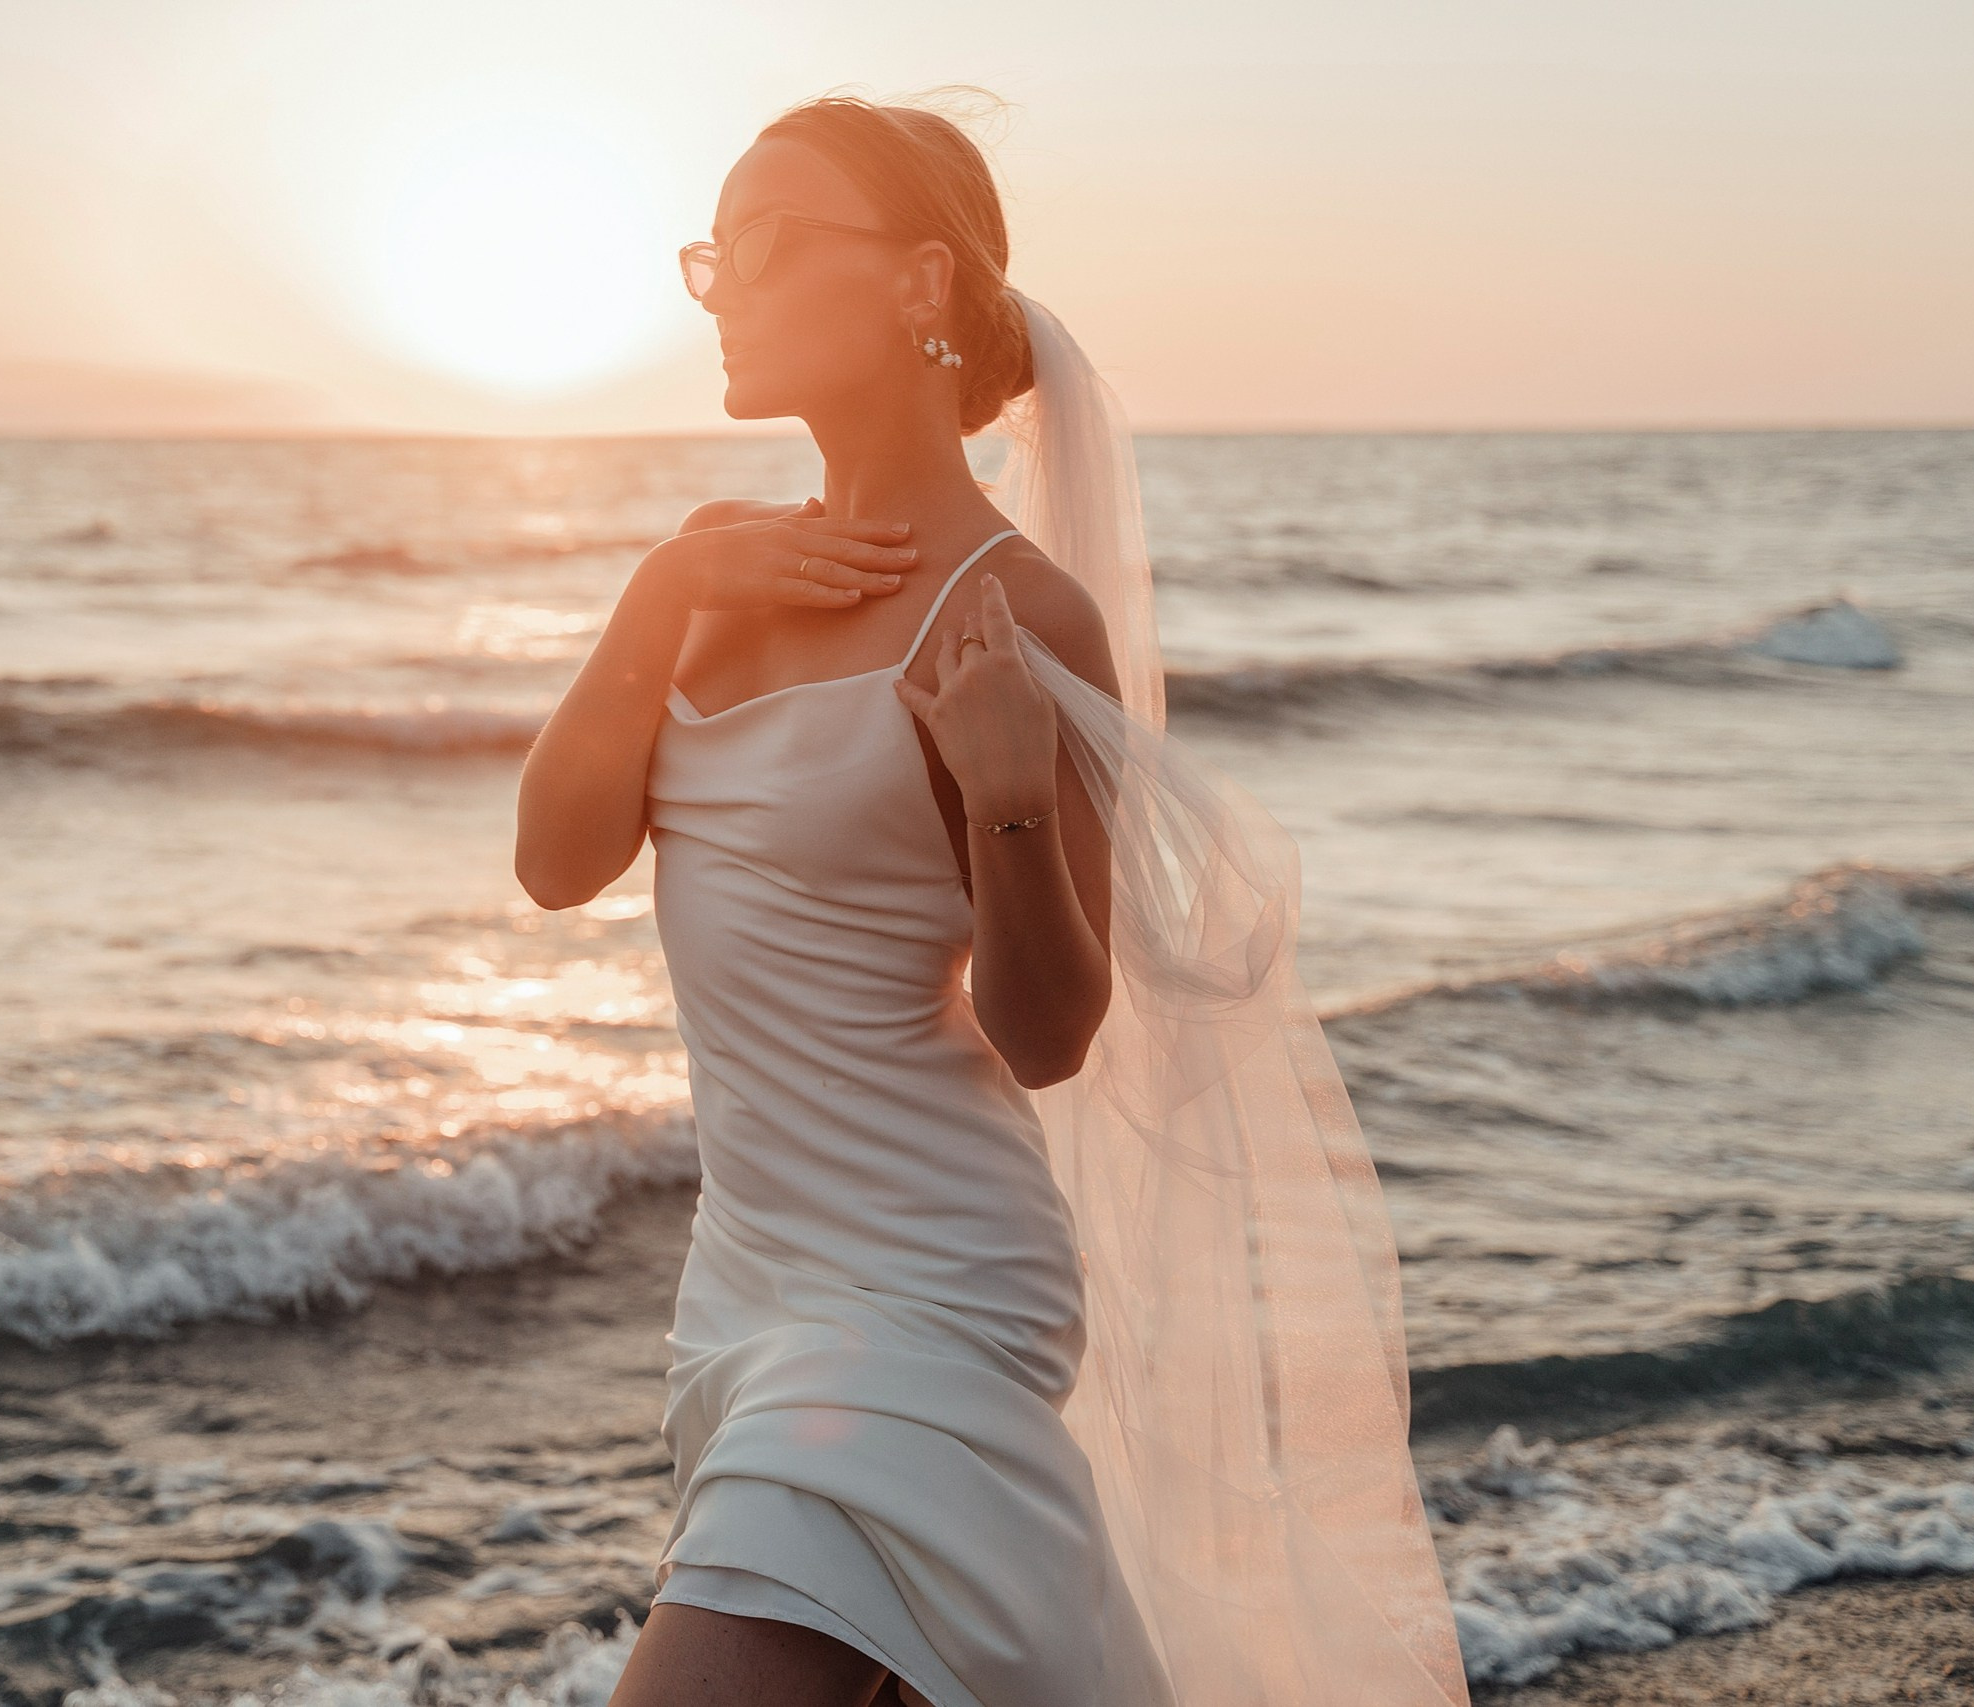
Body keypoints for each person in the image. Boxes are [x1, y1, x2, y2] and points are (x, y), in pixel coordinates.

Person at [514, 93, 1469, 1707]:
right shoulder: (707, 570)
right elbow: (557, 863)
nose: (725, 286)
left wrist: (1013, 792)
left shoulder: (1018, 611)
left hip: (931, 1288)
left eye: (769, 244)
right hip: (745, 1281)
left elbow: (1049, 1033)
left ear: (920, 284)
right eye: (710, 254)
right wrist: (659, 593)